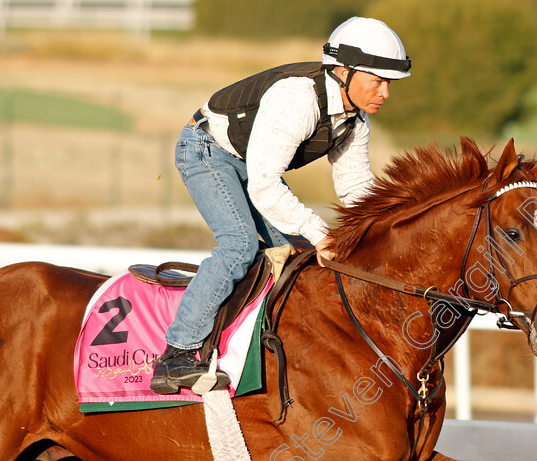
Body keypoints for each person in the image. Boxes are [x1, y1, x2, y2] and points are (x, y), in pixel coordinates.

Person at [150, 17, 411, 394]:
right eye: (377, 80)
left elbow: (356, 191)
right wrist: (323, 234)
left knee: (298, 254)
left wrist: (384, 234)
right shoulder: (297, 99)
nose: (385, 92)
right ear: (343, 71)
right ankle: (176, 356)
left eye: (389, 83)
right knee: (239, 246)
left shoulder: (355, 121)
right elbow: (265, 184)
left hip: (251, 164)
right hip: (205, 149)